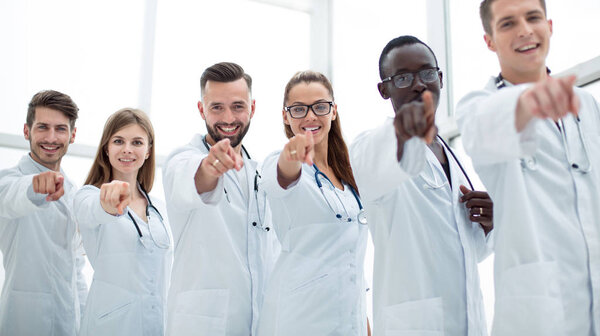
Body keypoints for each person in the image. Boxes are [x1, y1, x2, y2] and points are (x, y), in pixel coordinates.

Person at [456, 0, 600, 334]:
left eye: (533, 17)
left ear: (549, 27)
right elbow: (482, 131)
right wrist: (528, 102)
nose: (524, 30)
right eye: (507, 23)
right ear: (489, 40)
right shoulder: (481, 105)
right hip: (539, 310)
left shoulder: (587, 104)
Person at [350, 36, 494, 336]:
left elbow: (466, 253)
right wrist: (403, 133)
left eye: (427, 73)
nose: (419, 84)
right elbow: (369, 167)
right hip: (414, 325)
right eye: (402, 78)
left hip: (469, 321)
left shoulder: (451, 154)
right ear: (384, 89)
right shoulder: (374, 146)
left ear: (440, 79)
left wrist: (490, 226)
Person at [163, 62, 278, 336]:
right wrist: (209, 168)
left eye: (238, 106)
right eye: (217, 107)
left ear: (252, 108)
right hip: (203, 325)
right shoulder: (183, 159)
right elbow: (195, 177)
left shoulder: (260, 173)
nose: (228, 118)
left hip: (259, 323)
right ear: (202, 109)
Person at [256, 70, 369, 335]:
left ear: (333, 111)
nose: (310, 116)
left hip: (348, 319)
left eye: (319, 106)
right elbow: (281, 177)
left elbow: (352, 263)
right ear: (285, 115)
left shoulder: (350, 177)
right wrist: (291, 155)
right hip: (299, 320)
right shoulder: (278, 161)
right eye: (298, 109)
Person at [73, 108, 172, 335]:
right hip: (111, 325)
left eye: (137, 142)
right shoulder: (88, 196)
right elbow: (93, 210)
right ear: (106, 148)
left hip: (156, 323)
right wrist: (108, 203)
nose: (127, 149)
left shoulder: (159, 209)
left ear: (148, 151)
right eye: (119, 141)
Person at [0, 90, 87, 335]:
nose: (51, 137)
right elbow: (12, 197)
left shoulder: (72, 191)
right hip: (23, 320)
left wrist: (86, 318)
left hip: (69, 324)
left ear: (72, 136)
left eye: (60, 129)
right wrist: (35, 186)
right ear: (27, 131)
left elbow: (75, 267)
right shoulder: (9, 181)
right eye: (42, 127)